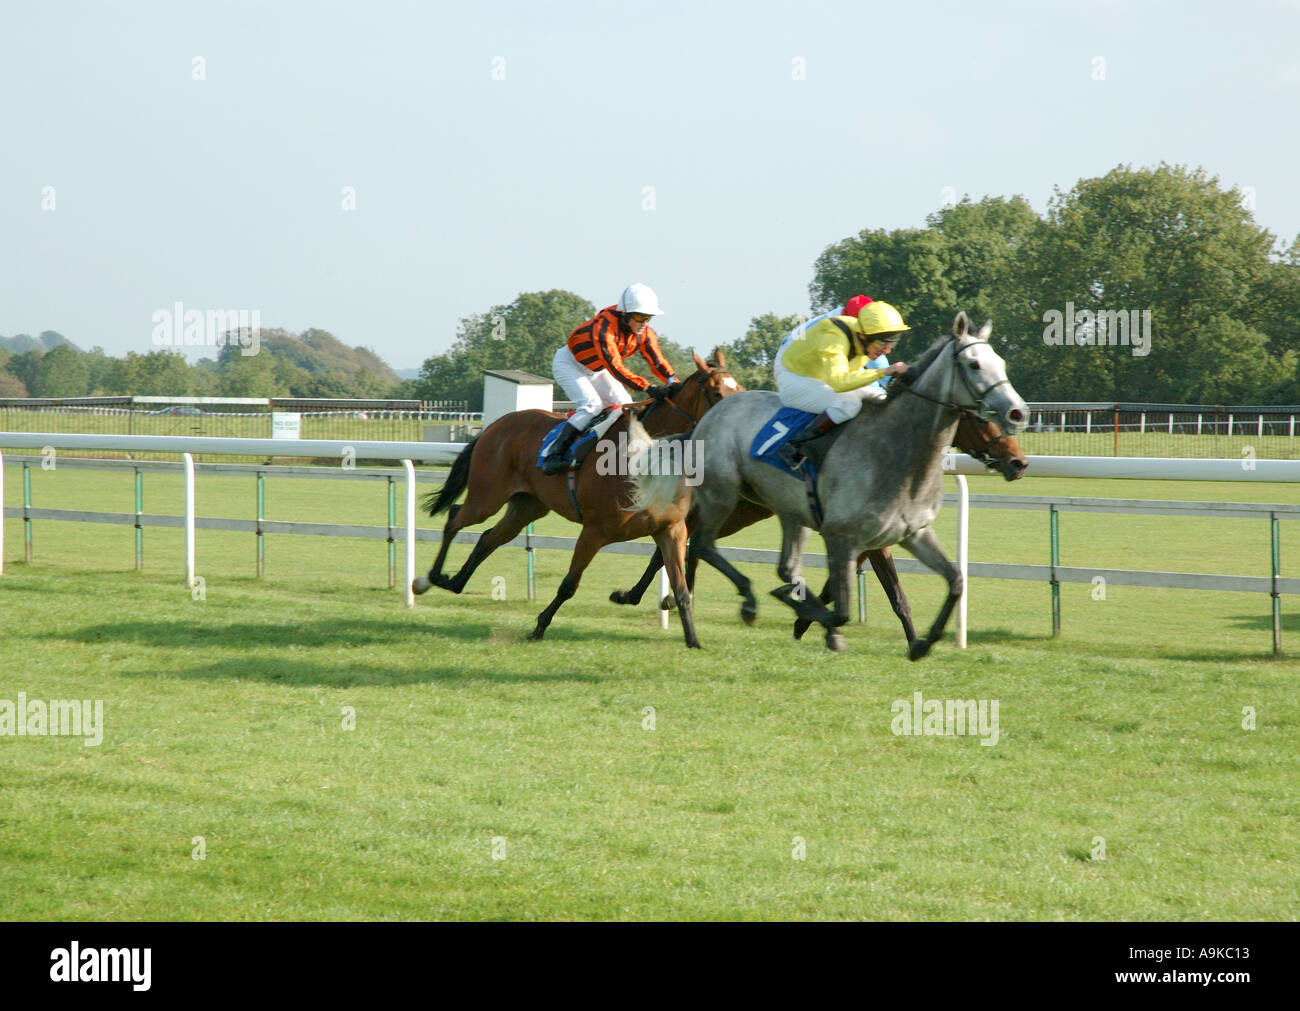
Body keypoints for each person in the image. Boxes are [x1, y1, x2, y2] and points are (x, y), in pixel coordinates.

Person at [541, 283, 679, 474]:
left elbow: (657, 362)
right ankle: (554, 455)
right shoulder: (605, 328)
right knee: (592, 405)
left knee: (626, 406)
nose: (644, 323)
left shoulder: (645, 333)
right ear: (625, 314)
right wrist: (648, 387)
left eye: (648, 318)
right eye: (640, 317)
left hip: (597, 369)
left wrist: (673, 382)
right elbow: (615, 366)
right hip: (569, 364)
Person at [772, 300, 911, 471]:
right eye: (884, 343)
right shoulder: (833, 336)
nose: (887, 351)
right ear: (862, 336)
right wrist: (884, 371)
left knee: (879, 397)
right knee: (848, 404)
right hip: (793, 379)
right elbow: (839, 382)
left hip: (819, 379)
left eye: (891, 344)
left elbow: (852, 377)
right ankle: (794, 447)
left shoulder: (865, 339)